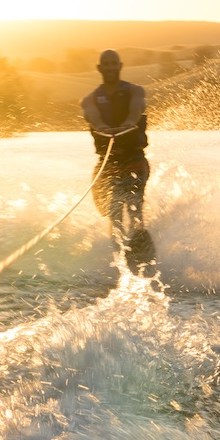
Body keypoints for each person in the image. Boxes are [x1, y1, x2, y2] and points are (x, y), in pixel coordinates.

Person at [80, 49, 156, 273]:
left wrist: (129, 123)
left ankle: (139, 249)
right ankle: (118, 258)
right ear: (100, 68)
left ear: (120, 66)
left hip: (133, 160)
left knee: (133, 206)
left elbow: (136, 109)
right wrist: (101, 127)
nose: (111, 67)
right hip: (108, 163)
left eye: (114, 63)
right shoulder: (89, 99)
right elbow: (92, 115)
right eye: (107, 64)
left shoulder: (135, 92)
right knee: (112, 212)